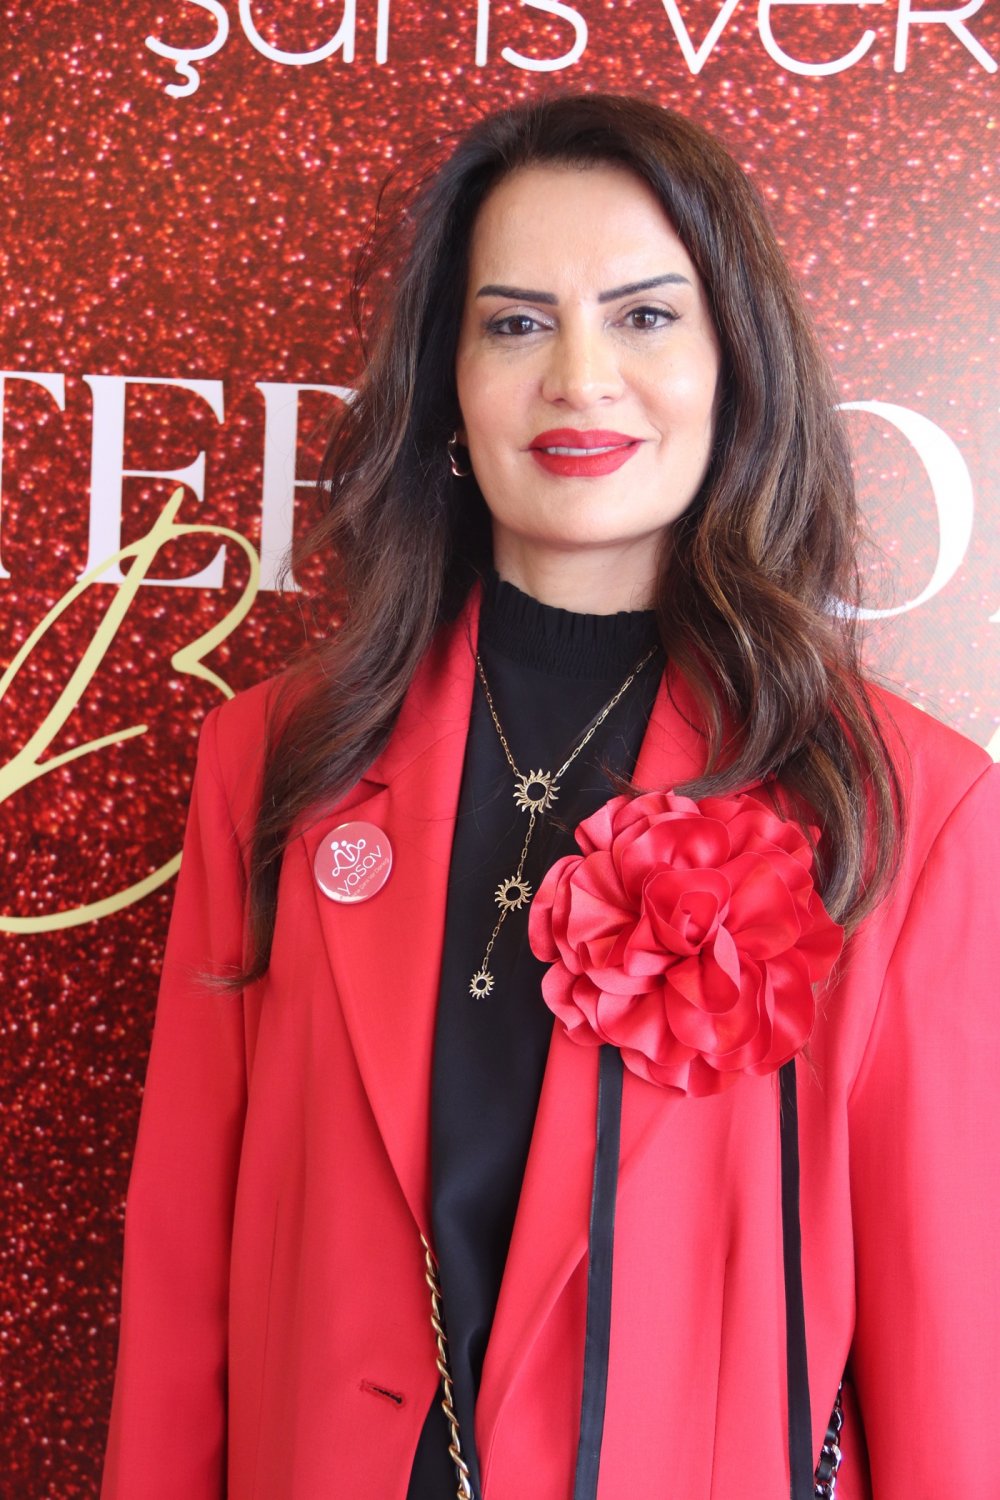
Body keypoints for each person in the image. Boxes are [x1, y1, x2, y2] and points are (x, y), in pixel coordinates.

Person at [100, 95, 999, 1500]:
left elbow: (945, 1362)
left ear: (735, 363)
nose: (580, 378)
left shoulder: (902, 808)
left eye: (645, 317)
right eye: (517, 324)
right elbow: (181, 1280)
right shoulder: (276, 759)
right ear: (449, 380)